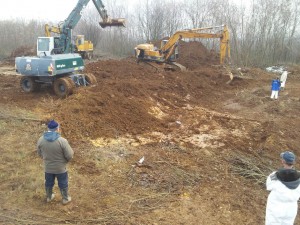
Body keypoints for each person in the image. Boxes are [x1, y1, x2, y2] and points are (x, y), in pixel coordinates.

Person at [37, 120, 74, 204]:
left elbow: (39, 154)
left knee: (49, 182)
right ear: (57, 128)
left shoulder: (40, 140)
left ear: (48, 128)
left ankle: (49, 197)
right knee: (63, 182)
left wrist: (47, 159)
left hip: (48, 167)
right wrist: (65, 161)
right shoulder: (62, 141)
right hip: (60, 168)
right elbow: (70, 155)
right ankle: (65, 199)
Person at [265, 151, 300, 225]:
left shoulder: (275, 175)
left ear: (283, 161)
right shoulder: (299, 177)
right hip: (291, 209)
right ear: (293, 162)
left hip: (276, 208)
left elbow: (268, 186)